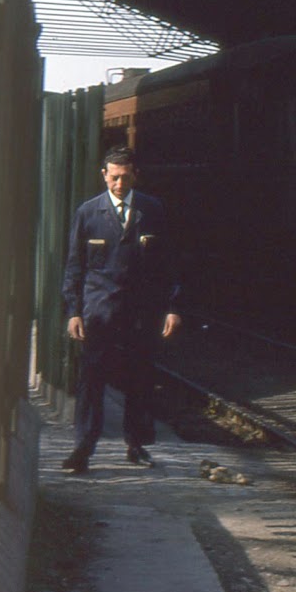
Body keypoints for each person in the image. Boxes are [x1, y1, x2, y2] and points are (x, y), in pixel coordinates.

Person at [60, 147, 182, 474]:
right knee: (91, 379)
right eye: (113, 177)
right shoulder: (87, 213)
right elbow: (75, 266)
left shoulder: (153, 210)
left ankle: (137, 444)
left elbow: (168, 264)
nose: (118, 183)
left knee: (140, 377)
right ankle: (83, 448)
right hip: (98, 312)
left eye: (125, 177)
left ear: (135, 175)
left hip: (141, 312)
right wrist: (74, 311)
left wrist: (171, 307)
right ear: (104, 175)